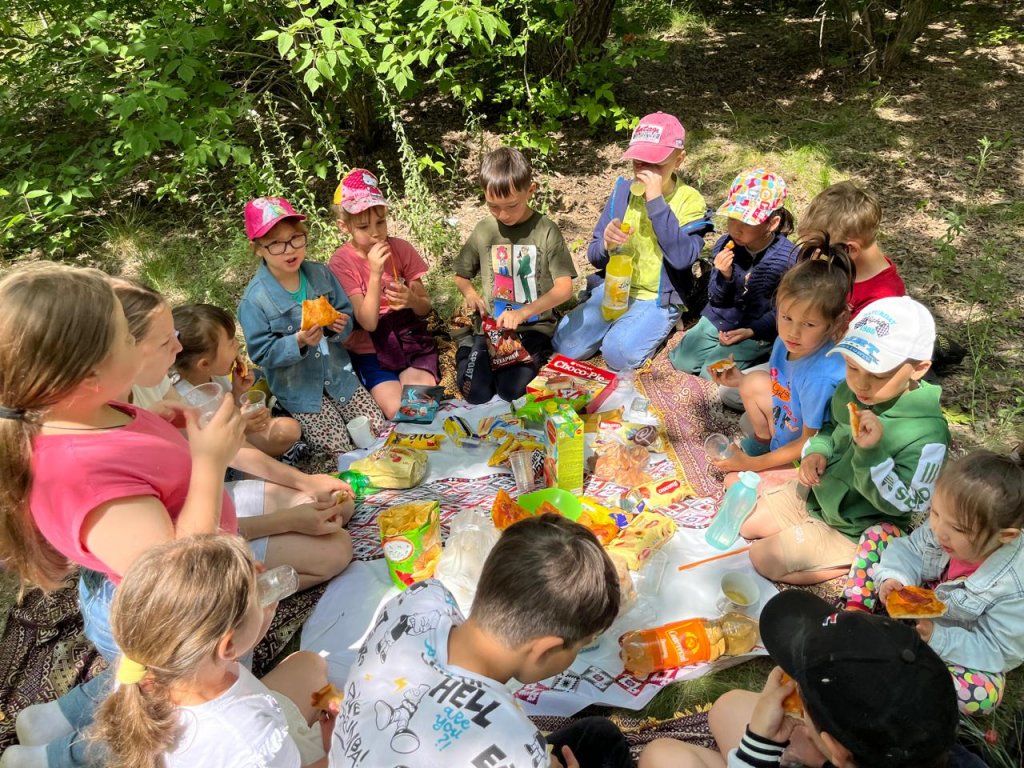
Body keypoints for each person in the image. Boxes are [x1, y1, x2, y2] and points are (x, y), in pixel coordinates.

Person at [329, 514, 631, 768]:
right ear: (544, 649)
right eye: (579, 645)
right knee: (601, 743)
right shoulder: (518, 748)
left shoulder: (420, 598)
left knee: (598, 735)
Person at [114, 278, 355, 591]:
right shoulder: (118, 438)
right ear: (125, 349)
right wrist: (288, 520)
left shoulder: (157, 386)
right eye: (165, 341)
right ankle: (245, 598)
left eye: (175, 335)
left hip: (216, 503)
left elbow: (235, 451)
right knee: (336, 549)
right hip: (191, 552)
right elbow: (187, 544)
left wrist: (306, 483)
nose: (178, 348)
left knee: (337, 505)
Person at [638, 590, 984, 768]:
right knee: (729, 707)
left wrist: (758, 746)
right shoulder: (926, 742)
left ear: (836, 751)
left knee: (661, 757)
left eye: (804, 704)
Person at [739, 297, 949, 584]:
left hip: (855, 525)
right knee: (746, 523)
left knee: (763, 558)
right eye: (852, 367)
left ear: (919, 368)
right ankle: (806, 530)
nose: (861, 383)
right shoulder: (851, 392)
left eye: (878, 375)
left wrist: (871, 455)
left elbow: (909, 503)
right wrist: (817, 452)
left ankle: (852, 559)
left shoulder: (928, 436)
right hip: (817, 495)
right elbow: (829, 429)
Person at [89, 534, 333, 767]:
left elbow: (227, 654)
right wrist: (335, 746)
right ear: (227, 645)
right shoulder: (250, 736)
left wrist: (262, 614)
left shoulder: (143, 665)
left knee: (310, 665)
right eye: (256, 596)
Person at [840, 450, 1024, 715]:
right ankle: (856, 612)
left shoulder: (1014, 587)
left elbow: (998, 649)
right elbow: (910, 551)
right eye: (934, 513)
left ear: (1005, 536)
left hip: (955, 637)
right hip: (919, 598)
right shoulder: (946, 523)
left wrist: (939, 638)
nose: (939, 532)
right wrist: (895, 578)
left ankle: (902, 673)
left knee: (983, 695)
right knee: (879, 534)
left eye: (958, 529)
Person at [554, 112, 713, 371]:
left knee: (619, 355)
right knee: (565, 344)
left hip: (658, 296)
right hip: (617, 287)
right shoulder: (622, 192)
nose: (645, 171)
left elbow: (682, 259)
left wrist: (656, 202)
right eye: (639, 163)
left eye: (656, 164)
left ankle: (656, 322)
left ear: (679, 160)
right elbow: (594, 256)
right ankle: (620, 324)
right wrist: (605, 244)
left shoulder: (689, 201)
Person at [238, 197, 386, 469]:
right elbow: (261, 353)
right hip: (301, 390)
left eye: (296, 239)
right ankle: (291, 420)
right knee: (339, 451)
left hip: (339, 376)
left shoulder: (320, 274)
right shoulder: (255, 300)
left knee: (376, 431)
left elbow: (345, 314)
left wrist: (339, 326)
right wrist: (298, 342)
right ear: (258, 248)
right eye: (276, 244)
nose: (289, 250)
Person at [709, 240, 851, 479]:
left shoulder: (820, 377)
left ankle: (767, 459)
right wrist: (739, 380)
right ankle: (764, 444)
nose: (793, 332)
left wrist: (753, 465)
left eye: (809, 324)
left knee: (734, 481)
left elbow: (810, 442)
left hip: (807, 455)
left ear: (834, 323)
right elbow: (783, 390)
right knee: (751, 382)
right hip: (788, 422)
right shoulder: (786, 342)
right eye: (786, 318)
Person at [454, 148, 577, 403]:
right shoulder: (484, 230)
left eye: (512, 205)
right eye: (493, 207)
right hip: (491, 328)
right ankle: (465, 346)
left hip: (532, 328)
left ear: (530, 190)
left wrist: (523, 313)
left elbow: (565, 288)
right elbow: (461, 275)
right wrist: (471, 294)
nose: (504, 215)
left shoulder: (545, 230)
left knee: (511, 390)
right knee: (475, 393)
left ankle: (533, 356)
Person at [327, 168, 438, 419]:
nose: (376, 232)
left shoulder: (401, 249)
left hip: (409, 337)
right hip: (370, 346)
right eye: (364, 226)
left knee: (420, 409)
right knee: (397, 410)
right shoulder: (341, 262)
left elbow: (425, 307)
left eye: (381, 222)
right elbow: (367, 322)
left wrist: (411, 300)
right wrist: (375, 274)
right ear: (344, 226)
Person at [671, 169, 798, 386]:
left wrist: (752, 330)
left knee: (713, 373)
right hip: (722, 317)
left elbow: (785, 310)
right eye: (732, 218)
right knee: (682, 361)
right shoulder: (724, 244)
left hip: (758, 328)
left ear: (772, 223)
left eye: (747, 223)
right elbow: (716, 299)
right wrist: (724, 275)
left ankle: (762, 355)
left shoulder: (789, 259)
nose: (736, 229)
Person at [172, 302, 304, 459]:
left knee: (289, 428)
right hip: (220, 456)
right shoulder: (184, 401)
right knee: (285, 433)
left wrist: (238, 390)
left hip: (236, 432)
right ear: (205, 364)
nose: (238, 344)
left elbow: (233, 410)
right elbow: (209, 451)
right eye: (230, 343)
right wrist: (242, 426)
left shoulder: (215, 372)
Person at [797, 181, 905, 318]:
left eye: (820, 250)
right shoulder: (842, 267)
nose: (815, 255)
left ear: (850, 249)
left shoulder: (883, 302)